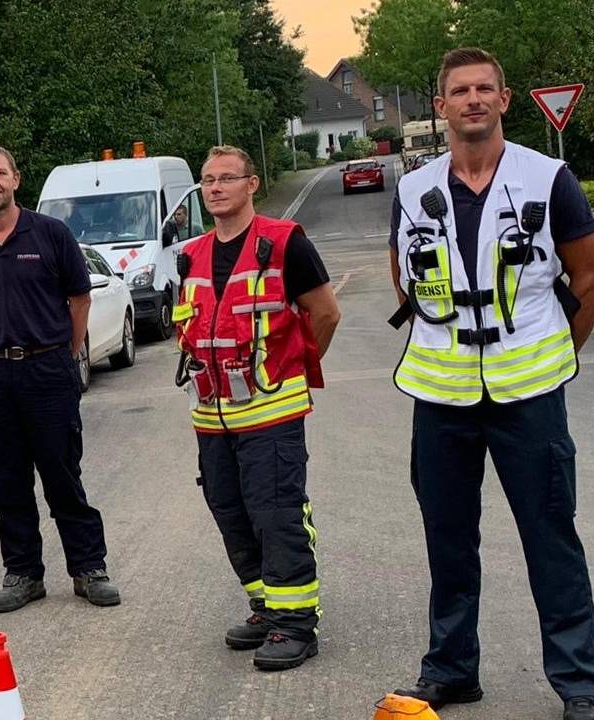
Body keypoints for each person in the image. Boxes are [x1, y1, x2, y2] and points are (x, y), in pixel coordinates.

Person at [387, 48, 594, 720]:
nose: (473, 99)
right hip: (441, 398)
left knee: (552, 538)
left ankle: (579, 686)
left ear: (505, 100)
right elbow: (404, 282)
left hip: (530, 398)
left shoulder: (549, 179)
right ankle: (452, 670)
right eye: (460, 90)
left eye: (485, 88)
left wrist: (551, 356)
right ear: (441, 106)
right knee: (447, 538)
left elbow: (591, 280)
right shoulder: (409, 189)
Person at [172, 146, 340, 671]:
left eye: (227, 179)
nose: (216, 188)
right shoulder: (190, 255)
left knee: (277, 514)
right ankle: (268, 607)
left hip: (271, 414)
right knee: (230, 512)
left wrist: (289, 369)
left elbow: (325, 313)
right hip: (212, 417)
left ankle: (296, 624)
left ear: (252, 184)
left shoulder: (286, 244)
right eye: (208, 180)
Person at [0, 145, 121, 614]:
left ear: (16, 179)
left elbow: (78, 300)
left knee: (62, 473)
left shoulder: (51, 234)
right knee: (7, 480)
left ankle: (88, 568)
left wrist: (62, 352)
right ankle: (23, 573)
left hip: (47, 370)